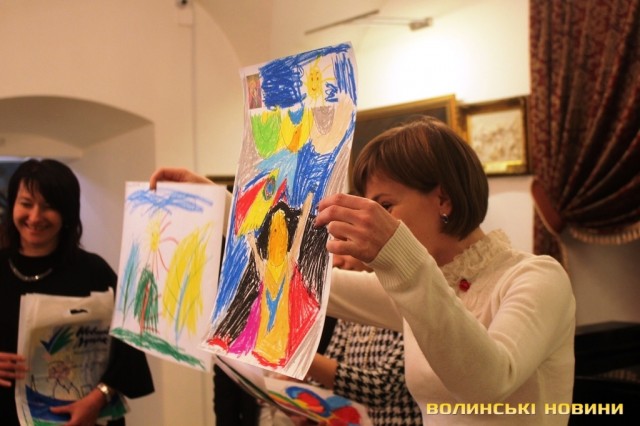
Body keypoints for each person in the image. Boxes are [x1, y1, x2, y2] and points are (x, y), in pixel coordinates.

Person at [148, 115, 576, 425]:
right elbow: (305, 278)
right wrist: (223, 207)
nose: (372, 220)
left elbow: (489, 383)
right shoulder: (422, 288)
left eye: (385, 206)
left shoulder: (535, 278)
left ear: (443, 200)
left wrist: (401, 257)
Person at [0, 159, 154, 426]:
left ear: (67, 213)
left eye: (48, 207)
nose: (35, 217)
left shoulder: (94, 272)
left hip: (84, 417)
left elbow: (130, 347)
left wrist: (99, 397)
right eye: (26, 203)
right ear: (12, 204)